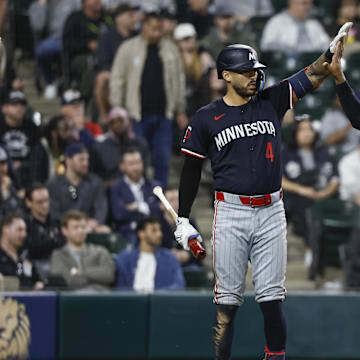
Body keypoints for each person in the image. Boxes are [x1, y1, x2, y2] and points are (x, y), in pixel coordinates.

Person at [174, 29, 349, 359]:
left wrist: (329, 53)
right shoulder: (206, 117)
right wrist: (183, 217)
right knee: (227, 304)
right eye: (246, 71)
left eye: (256, 70)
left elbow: (312, 73)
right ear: (226, 75)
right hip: (231, 212)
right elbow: (191, 170)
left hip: (271, 210)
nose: (254, 76)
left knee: (271, 300)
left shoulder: (273, 99)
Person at [110, 11, 186, 187]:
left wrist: (180, 108)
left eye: (159, 29)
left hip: (163, 115)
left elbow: (179, 80)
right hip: (136, 115)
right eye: (153, 29)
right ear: (143, 27)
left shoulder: (171, 49)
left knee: (162, 161)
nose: (157, 33)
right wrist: (117, 109)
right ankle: (141, 197)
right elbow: (117, 79)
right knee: (138, 160)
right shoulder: (128, 48)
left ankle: (161, 201)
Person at [282, 116, 339, 265]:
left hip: (324, 196)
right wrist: (302, 190)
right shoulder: (285, 152)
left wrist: (325, 193)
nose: (307, 133)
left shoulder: (323, 152)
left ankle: (315, 251)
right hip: (297, 196)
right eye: (302, 129)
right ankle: (310, 250)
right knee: (304, 205)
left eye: (310, 129)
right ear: (295, 132)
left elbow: (334, 179)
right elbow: (278, 180)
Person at [47, 143, 109, 233]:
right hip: (63, 230)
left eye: (87, 159)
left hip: (90, 230)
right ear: (68, 160)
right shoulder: (54, 184)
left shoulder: (95, 182)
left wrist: (94, 223)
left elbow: (101, 208)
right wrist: (74, 226)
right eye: (81, 159)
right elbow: (54, 213)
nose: (86, 163)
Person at [49, 210, 115, 290]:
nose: (80, 231)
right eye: (75, 227)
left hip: (100, 297)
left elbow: (109, 274)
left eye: (83, 227)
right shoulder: (58, 255)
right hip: (72, 299)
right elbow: (66, 281)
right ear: (65, 231)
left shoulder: (100, 251)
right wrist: (95, 279)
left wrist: (80, 272)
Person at [115, 216, 185, 291]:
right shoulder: (125, 258)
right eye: (154, 230)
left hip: (159, 301)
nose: (159, 234)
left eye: (160, 230)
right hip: (131, 301)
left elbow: (179, 285)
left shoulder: (170, 258)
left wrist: (157, 296)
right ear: (141, 234)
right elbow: (119, 287)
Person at [29, 0, 81, 99]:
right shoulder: (37, 5)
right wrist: (42, 6)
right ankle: (50, 82)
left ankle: (72, 82)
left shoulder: (73, 2)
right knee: (41, 50)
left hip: (73, 38)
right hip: (52, 39)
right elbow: (37, 26)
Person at [94, 3, 136, 125]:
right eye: (130, 15)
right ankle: (103, 116)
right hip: (114, 74)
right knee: (101, 78)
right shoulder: (107, 37)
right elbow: (102, 62)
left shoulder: (137, 36)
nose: (134, 19)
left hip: (135, 74)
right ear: (119, 18)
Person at [62, 0, 113, 99]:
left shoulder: (107, 17)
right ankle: (85, 98)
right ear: (84, 3)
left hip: (107, 55)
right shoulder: (75, 18)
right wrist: (87, 45)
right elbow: (67, 44)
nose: (98, 1)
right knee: (90, 62)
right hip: (81, 56)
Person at [110, 148, 161, 245]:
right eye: (131, 164)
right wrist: (148, 209)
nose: (136, 167)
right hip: (128, 235)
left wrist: (137, 207)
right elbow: (119, 214)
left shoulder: (155, 186)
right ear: (122, 166)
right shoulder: (116, 189)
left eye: (138, 162)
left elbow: (160, 210)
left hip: (155, 233)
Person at [0, 90, 48, 190]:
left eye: (22, 104)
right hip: (3, 170)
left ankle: (34, 190)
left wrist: (23, 165)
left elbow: (38, 157)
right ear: (4, 108)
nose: (19, 108)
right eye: (14, 104)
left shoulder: (32, 127)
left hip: (28, 173)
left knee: (40, 148)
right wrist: (10, 164)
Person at [90, 107, 148, 185]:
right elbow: (95, 176)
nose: (117, 125)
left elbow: (143, 172)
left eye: (120, 121)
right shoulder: (99, 147)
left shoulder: (140, 144)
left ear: (128, 122)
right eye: (112, 122)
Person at [24, 183, 64, 281]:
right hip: (35, 269)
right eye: (39, 202)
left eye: (46, 201)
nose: (45, 205)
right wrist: (53, 242)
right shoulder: (24, 225)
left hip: (60, 266)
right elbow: (30, 249)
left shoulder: (57, 223)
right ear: (28, 203)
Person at [260, 0, 329, 53]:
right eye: (304, 3)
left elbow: (325, 44)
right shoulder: (277, 21)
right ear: (292, 4)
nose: (308, 7)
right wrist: (288, 50)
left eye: (310, 3)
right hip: (288, 67)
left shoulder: (314, 23)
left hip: (312, 64)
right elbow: (266, 46)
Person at [0, 213, 44, 290]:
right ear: (5, 229)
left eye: (25, 230)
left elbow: (38, 280)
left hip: (27, 300)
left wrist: (39, 284)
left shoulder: (24, 256)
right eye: (19, 230)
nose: (24, 234)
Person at [320, 92, 360, 157]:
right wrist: (351, 123)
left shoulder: (356, 111)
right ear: (334, 101)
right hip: (341, 154)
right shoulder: (329, 117)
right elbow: (328, 141)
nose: (345, 100)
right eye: (340, 98)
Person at [0, 145, 22, 222]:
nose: (2, 167)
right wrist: (4, 193)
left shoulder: (8, 184)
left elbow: (17, 210)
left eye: (3, 163)